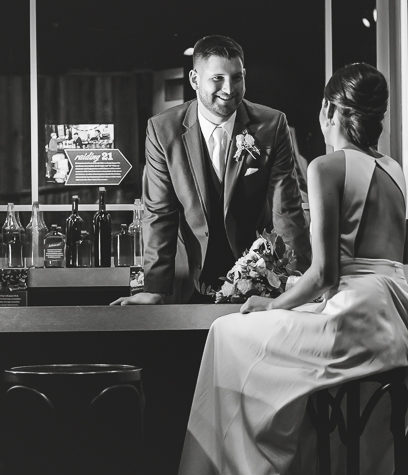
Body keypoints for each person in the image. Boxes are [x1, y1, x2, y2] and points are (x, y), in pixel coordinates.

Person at [153, 63, 408, 475]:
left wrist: (271, 299)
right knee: (268, 351)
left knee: (229, 336)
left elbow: (324, 274)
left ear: (329, 111)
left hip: (353, 314)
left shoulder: (327, 167)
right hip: (395, 316)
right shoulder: (394, 167)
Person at [110, 34, 309, 305]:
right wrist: (155, 288)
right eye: (217, 78)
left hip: (257, 279)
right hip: (186, 278)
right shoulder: (162, 129)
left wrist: (300, 285)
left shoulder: (271, 126)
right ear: (195, 80)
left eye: (237, 77)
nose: (229, 88)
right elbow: (159, 214)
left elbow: (286, 210)